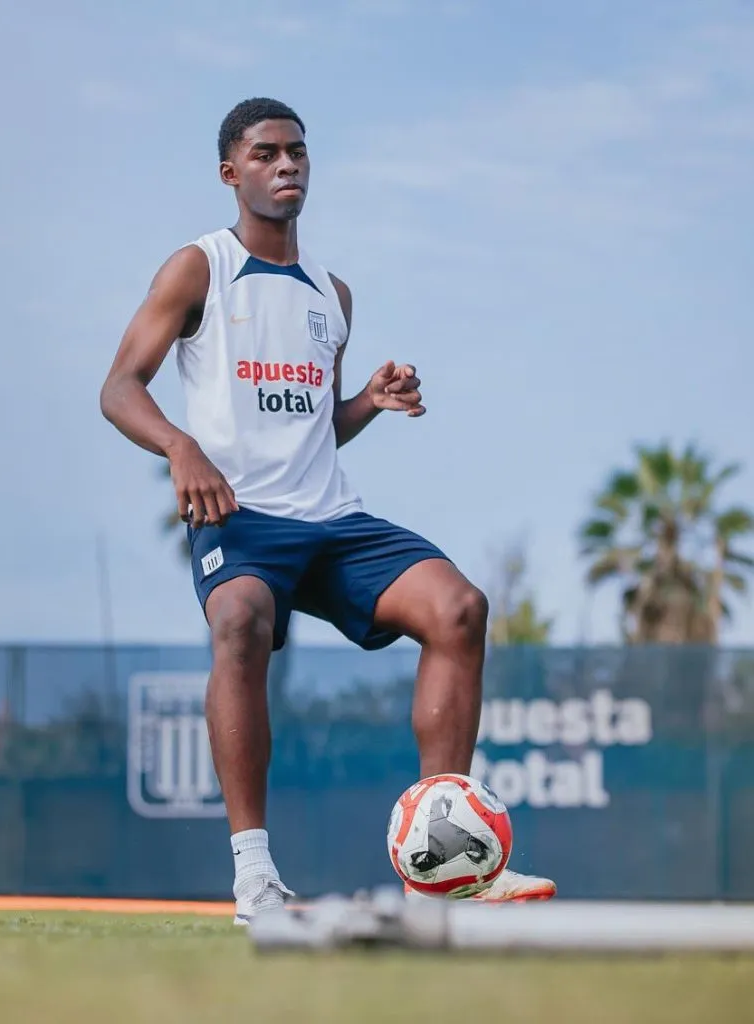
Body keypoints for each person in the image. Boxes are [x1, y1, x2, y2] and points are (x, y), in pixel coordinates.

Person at [101, 97, 556, 923]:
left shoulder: (333, 295)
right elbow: (118, 387)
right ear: (230, 173)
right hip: (239, 518)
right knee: (238, 618)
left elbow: (313, 429)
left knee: (460, 608)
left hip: (332, 521)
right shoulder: (198, 267)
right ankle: (254, 878)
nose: (288, 166)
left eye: (298, 153)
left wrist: (367, 404)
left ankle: (445, 870)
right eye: (268, 154)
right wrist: (180, 448)